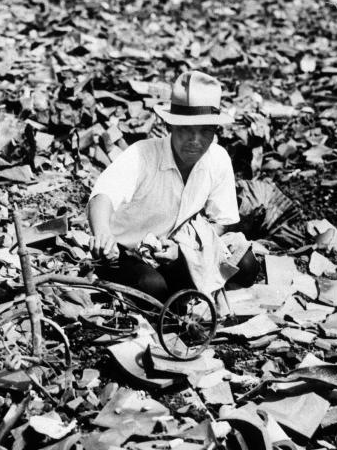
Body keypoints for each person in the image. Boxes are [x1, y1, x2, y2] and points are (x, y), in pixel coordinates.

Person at [88, 70, 258, 301]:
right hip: (124, 251)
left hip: (175, 247)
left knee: (246, 265)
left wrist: (185, 250)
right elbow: (103, 196)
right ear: (170, 126)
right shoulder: (143, 154)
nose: (195, 141)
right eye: (186, 130)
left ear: (215, 132)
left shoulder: (217, 159)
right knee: (153, 288)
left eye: (205, 131)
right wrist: (102, 234)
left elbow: (220, 222)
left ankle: (182, 292)